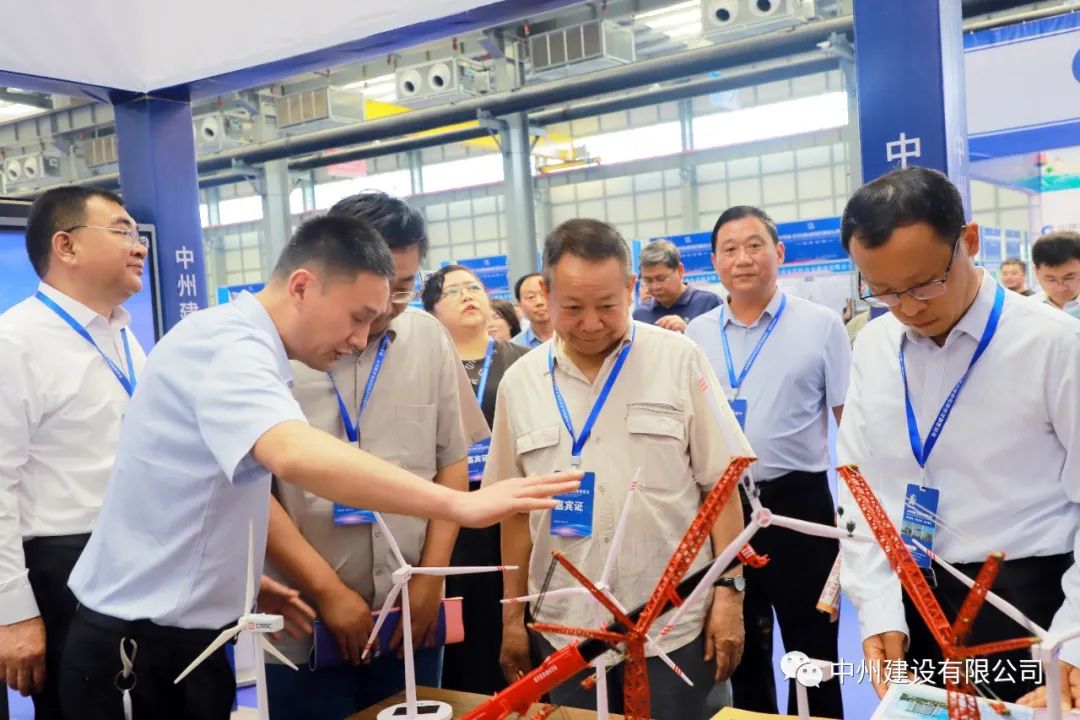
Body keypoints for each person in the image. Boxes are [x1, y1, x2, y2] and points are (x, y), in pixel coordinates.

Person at [59, 214, 580, 720]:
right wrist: (457, 504)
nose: (360, 339)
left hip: (192, 636)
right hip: (139, 647)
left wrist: (239, 578)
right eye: (356, 317)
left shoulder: (249, 343)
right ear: (303, 286)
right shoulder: (229, 347)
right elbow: (291, 452)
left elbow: (207, 489)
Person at [488, 218, 753, 720]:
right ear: (545, 293)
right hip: (564, 629)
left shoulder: (679, 360)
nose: (591, 323)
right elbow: (515, 515)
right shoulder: (519, 383)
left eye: (608, 306)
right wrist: (512, 617)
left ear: (631, 288)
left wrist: (730, 592)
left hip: (676, 626)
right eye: (573, 308)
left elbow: (721, 487)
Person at [835, 167, 1080, 708]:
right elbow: (860, 485)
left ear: (969, 241)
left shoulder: (1055, 345)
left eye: (924, 283)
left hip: (1030, 604)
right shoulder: (874, 345)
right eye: (883, 291)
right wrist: (878, 608)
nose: (908, 307)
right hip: (913, 597)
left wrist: (1074, 640)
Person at [262, 192, 490, 719]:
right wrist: (326, 590)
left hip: (410, 617)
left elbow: (451, 461)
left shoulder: (427, 338)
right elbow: (250, 489)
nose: (386, 306)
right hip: (303, 622)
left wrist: (432, 577)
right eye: (374, 291)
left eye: (403, 288)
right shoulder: (275, 351)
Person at [686, 205, 849, 719]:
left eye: (755, 245)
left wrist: (858, 512)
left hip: (799, 503)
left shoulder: (822, 326)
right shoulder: (694, 335)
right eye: (730, 249)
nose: (743, 258)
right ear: (714, 262)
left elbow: (849, 422)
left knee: (813, 648)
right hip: (723, 506)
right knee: (737, 647)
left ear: (778, 252)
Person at [0, 187, 149, 720]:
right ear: (66, 246)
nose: (139, 246)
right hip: (65, 570)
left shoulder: (123, 335)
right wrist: (13, 613)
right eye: (121, 231)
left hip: (136, 559)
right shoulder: (15, 342)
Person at [422, 265, 530, 695]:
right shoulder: (427, 367)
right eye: (453, 291)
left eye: (475, 287)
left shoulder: (523, 361)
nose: (468, 295)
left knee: (514, 610)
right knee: (463, 624)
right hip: (451, 513)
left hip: (513, 510)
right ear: (431, 310)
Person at [632, 240, 720, 333]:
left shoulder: (709, 304)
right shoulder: (640, 315)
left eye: (661, 279)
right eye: (648, 280)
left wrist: (688, 331)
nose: (655, 287)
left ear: (680, 270)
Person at [1032, 231, 1080, 320]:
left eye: (1069, 278)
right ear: (1036, 272)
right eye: (1051, 280)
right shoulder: (1027, 309)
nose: (1060, 288)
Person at [511, 272, 552, 348]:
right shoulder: (514, 347)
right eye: (531, 297)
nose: (539, 302)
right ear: (519, 304)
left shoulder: (573, 337)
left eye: (543, 294)